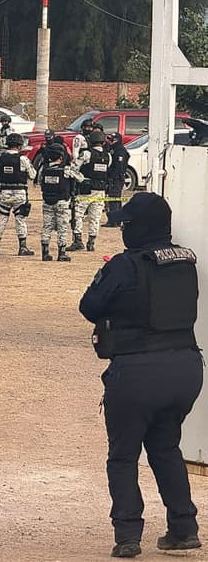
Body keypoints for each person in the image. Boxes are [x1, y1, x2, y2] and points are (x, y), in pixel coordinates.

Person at [79, 192, 202, 559]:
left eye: (127, 225)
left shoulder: (124, 265)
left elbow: (90, 306)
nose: (123, 231)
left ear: (139, 228)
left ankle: (128, 536)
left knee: (123, 456)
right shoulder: (186, 262)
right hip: (185, 368)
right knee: (165, 448)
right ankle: (184, 529)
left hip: (137, 371)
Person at [0, 133, 36, 256]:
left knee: (2, 217)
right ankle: (22, 247)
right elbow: (33, 175)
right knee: (20, 219)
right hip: (19, 193)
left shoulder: (0, 157)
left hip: (4, 192)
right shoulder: (23, 159)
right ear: (19, 146)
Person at [68, 129, 110, 252]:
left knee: (78, 215)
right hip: (100, 190)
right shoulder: (108, 156)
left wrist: (81, 179)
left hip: (86, 190)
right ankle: (91, 242)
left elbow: (73, 169)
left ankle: (77, 241)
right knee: (95, 217)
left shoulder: (86, 154)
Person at [38, 143, 80, 262]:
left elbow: (39, 181)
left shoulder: (44, 168)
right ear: (61, 156)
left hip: (47, 201)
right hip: (62, 202)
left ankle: (45, 253)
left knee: (47, 227)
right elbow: (80, 178)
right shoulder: (66, 169)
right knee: (62, 228)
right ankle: (61, 253)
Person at [104, 132, 130, 227]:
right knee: (115, 199)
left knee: (114, 199)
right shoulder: (113, 149)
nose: (110, 141)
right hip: (114, 178)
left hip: (117, 178)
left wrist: (112, 177)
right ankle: (117, 220)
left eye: (112, 140)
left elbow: (119, 167)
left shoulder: (120, 151)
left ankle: (114, 221)